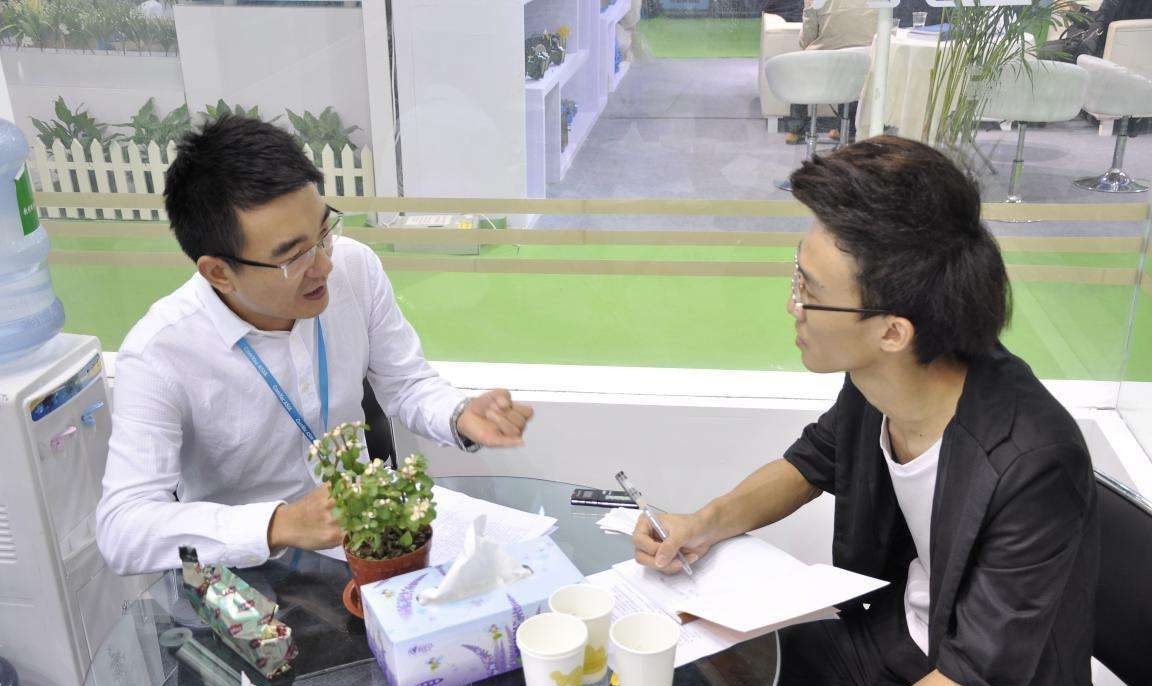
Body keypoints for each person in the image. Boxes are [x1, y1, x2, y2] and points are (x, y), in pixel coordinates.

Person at [632, 137, 1098, 685]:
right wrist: (703, 524)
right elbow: (809, 463)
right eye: (796, 274)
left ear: (892, 332)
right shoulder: (881, 377)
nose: (792, 305)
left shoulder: (1033, 464)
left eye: (809, 289)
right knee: (696, 664)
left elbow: (974, 674)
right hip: (892, 633)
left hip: (965, 670)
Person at [96, 116, 534, 576]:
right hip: (252, 578)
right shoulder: (159, 354)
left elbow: (406, 383)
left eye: (325, 233)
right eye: (293, 257)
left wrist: (459, 414)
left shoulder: (355, 268)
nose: (324, 266)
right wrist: (280, 524)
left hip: (373, 541)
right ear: (219, 273)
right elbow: (122, 530)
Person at [785, 0, 876, 144]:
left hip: (827, 65)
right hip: (867, 60)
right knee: (852, 70)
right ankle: (848, 129)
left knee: (801, 65)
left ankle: (795, 129)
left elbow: (807, 37)